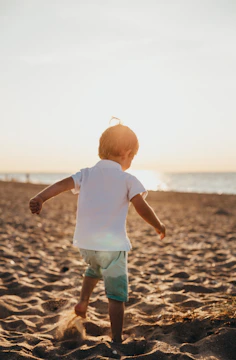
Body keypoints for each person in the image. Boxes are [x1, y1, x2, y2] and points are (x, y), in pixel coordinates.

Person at [29, 119, 166, 343]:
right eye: (132, 157)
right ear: (127, 152)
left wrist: (41, 197)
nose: (131, 161)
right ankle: (117, 338)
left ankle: (83, 301)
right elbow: (142, 207)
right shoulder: (127, 179)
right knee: (116, 296)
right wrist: (158, 226)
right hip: (113, 248)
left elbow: (61, 185)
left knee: (94, 268)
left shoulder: (86, 174)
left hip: (87, 245)